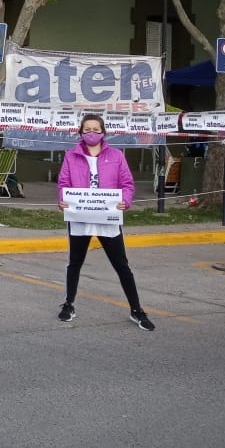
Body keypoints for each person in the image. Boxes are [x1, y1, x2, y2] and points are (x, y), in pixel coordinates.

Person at [56, 114, 154, 330]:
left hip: (107, 219)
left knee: (122, 265)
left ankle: (136, 309)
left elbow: (127, 183)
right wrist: (62, 200)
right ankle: (69, 304)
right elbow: (63, 182)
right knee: (75, 262)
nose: (92, 133)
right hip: (80, 218)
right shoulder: (71, 156)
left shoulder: (117, 156)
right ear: (81, 132)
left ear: (103, 132)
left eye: (96, 129)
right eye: (87, 129)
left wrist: (125, 201)